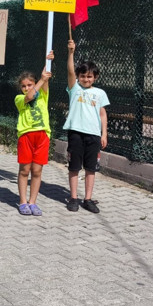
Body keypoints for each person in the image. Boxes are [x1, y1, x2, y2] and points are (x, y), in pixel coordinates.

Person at [64, 40, 109, 213]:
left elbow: (103, 114)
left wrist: (104, 134)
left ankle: (88, 199)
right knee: (74, 167)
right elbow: (70, 70)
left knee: (91, 168)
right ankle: (73, 198)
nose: (86, 79)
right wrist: (71, 52)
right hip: (76, 133)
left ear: (95, 78)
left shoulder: (100, 93)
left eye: (89, 76)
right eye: (82, 76)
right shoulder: (74, 89)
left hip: (94, 135)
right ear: (78, 77)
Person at [15, 51, 55, 216]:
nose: (27, 88)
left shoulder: (43, 95)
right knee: (25, 170)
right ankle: (23, 202)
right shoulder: (19, 98)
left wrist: (48, 61)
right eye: (24, 86)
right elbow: (30, 96)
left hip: (42, 136)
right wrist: (41, 80)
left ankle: (33, 202)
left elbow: (45, 79)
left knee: (37, 171)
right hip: (26, 136)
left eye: (29, 84)